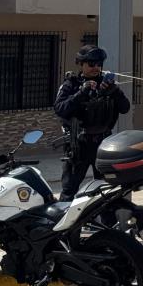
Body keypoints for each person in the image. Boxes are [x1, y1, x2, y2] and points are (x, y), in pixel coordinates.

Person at [54, 45, 130, 201]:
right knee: (69, 191)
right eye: (91, 64)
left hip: (103, 145)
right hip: (78, 145)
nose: (96, 67)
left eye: (99, 64)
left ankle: (108, 224)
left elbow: (125, 108)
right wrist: (81, 93)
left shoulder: (106, 84)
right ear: (81, 64)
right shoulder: (71, 84)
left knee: (108, 191)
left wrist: (114, 91)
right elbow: (60, 109)